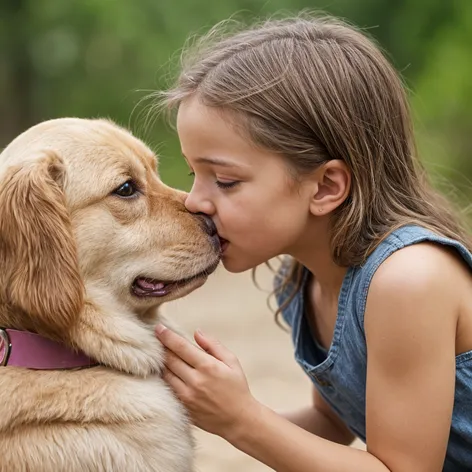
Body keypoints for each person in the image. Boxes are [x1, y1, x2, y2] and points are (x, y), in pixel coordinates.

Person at [154, 13, 472, 472]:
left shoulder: (408, 280)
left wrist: (242, 418)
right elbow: (332, 422)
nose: (195, 201)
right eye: (193, 173)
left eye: (224, 180)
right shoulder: (304, 277)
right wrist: (202, 412)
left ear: (325, 188)